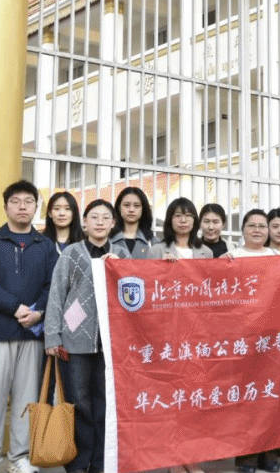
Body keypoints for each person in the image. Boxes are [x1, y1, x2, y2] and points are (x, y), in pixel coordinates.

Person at [0, 180, 60, 473]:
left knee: (26, 400)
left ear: (36, 208)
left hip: (32, 334)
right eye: (16, 201)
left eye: (28, 202)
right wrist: (16, 307)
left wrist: (39, 312)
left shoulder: (45, 246)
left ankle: (20, 457)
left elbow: (54, 285)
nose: (22, 207)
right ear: (6, 206)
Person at [44, 199, 135, 473]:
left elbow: (135, 291)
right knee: (79, 402)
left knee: (105, 404)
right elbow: (57, 294)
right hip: (75, 341)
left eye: (105, 217)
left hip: (110, 343)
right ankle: (78, 461)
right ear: (84, 222)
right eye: (94, 217)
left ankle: (100, 462)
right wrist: (52, 336)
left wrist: (121, 269)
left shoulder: (121, 254)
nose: (99, 222)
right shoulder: (72, 253)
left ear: (113, 223)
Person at [157, 197, 209, 473]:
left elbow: (215, 289)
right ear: (170, 220)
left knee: (193, 400)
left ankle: (191, 457)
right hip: (167, 335)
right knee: (171, 399)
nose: (183, 220)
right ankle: (173, 459)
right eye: (178, 215)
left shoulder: (205, 252)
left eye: (188, 215)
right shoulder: (157, 249)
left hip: (197, 336)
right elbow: (144, 286)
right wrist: (160, 269)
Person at [228, 210, 280, 473]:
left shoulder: (278, 257)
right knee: (246, 398)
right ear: (243, 230)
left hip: (273, 337)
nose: (258, 230)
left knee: (270, 396)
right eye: (252, 225)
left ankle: (269, 454)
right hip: (243, 337)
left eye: (262, 226)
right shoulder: (233, 256)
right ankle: (246, 457)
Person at [112, 186, 155, 255]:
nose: (131, 210)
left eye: (137, 205)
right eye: (126, 205)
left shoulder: (153, 242)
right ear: (119, 207)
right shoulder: (107, 240)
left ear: (143, 209)